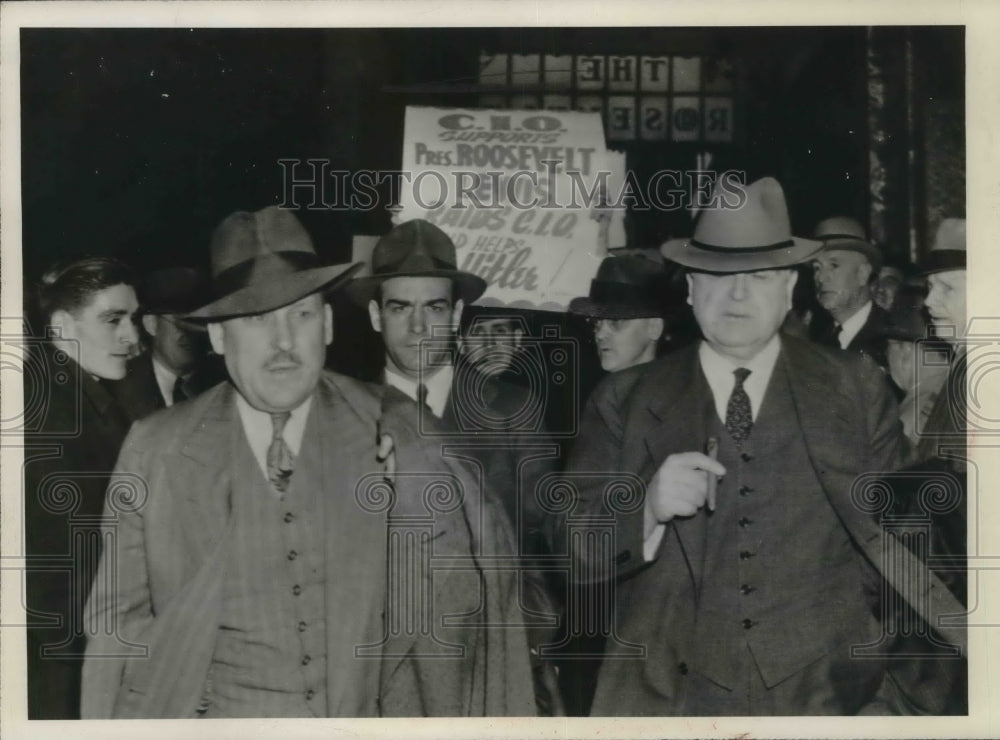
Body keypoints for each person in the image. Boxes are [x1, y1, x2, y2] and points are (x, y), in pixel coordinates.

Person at [81, 207, 535, 718]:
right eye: (255, 318)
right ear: (216, 337)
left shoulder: (396, 428)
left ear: (327, 325)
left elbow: (469, 604)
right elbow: (118, 633)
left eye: (301, 314)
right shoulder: (157, 447)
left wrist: (416, 511)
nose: (282, 341)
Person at [557, 177, 963, 715]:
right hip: (668, 703)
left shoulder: (855, 389)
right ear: (690, 288)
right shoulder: (625, 399)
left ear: (789, 288)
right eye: (719, 277)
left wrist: (888, 700)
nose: (739, 295)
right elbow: (566, 547)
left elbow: (911, 549)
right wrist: (645, 508)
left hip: (826, 702)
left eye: (760, 276)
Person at [347, 218, 564, 716]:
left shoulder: (512, 411)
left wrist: (526, 641)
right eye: (401, 308)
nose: (419, 327)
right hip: (378, 674)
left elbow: (550, 544)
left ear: (458, 313)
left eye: (435, 307)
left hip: (492, 664)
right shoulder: (345, 412)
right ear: (377, 315)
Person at [24, 257, 140, 718]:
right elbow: (50, 586)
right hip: (65, 678)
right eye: (113, 320)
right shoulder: (53, 419)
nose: (133, 337)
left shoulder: (78, 397)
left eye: (133, 319)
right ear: (61, 327)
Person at [113, 266, 222, 420]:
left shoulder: (222, 379)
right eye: (179, 323)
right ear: (151, 325)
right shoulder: (120, 387)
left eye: (195, 322)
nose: (188, 332)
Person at [810, 215, 891, 369]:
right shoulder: (817, 342)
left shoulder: (891, 341)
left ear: (863, 274)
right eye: (817, 268)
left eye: (833, 265)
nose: (820, 278)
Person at [568, 251, 669, 373]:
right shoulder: (605, 390)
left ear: (654, 328)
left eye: (616, 321)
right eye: (596, 322)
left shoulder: (670, 390)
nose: (599, 335)